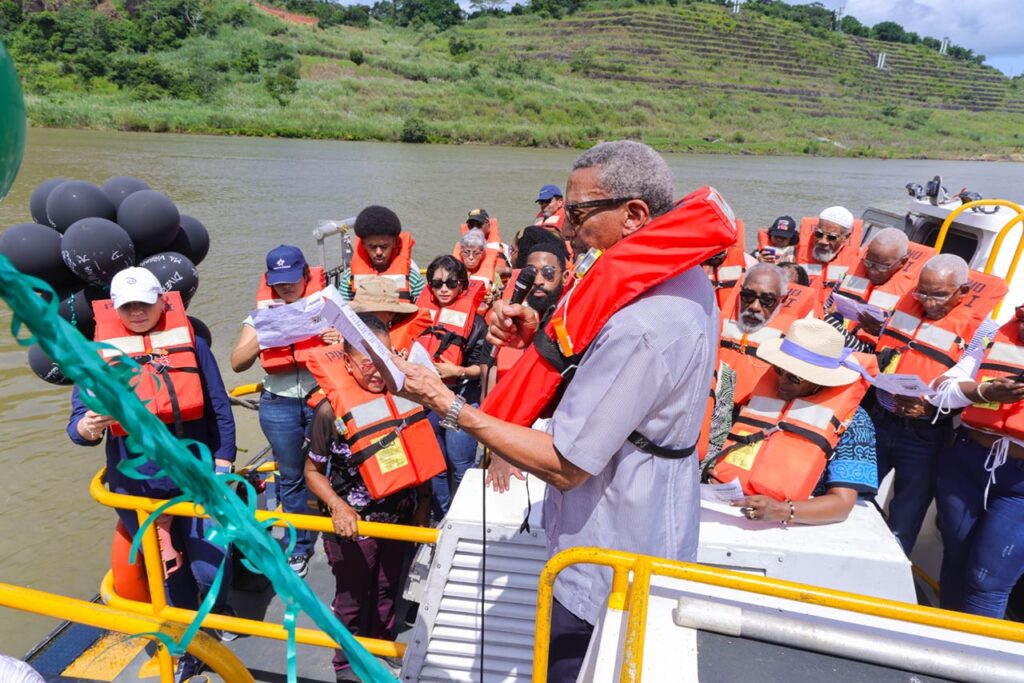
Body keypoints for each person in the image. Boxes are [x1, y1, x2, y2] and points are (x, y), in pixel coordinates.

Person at [389, 140, 733, 682]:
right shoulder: (682, 281)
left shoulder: (646, 324)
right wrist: (536, 344)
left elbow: (566, 466)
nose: (566, 230)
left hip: (611, 564)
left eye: (577, 214)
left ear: (634, 215)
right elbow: (619, 387)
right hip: (635, 531)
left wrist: (447, 404)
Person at [69, 267, 236, 683]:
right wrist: (89, 426)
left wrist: (224, 461)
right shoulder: (96, 356)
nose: (138, 312)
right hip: (138, 488)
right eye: (128, 306)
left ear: (162, 300)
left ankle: (220, 608)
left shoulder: (191, 342)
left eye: (145, 302)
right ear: (115, 309)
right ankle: (188, 647)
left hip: (195, 477)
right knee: (169, 571)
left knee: (206, 569)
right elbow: (76, 426)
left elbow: (219, 406)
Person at [302, 315, 432, 681]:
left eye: (385, 360)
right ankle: (346, 665)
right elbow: (311, 473)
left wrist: (422, 509)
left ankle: (379, 649)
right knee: (353, 598)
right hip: (353, 523)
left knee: (389, 591)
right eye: (367, 364)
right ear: (347, 363)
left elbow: (420, 460)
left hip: (400, 519)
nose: (378, 372)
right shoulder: (330, 412)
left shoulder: (407, 397)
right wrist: (339, 507)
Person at [873, 254, 1003, 554]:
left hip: (926, 435)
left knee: (904, 519)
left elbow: (970, 383)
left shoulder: (983, 332)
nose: (928, 302)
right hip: (879, 419)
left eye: (939, 295)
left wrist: (934, 409)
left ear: (963, 292)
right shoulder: (902, 306)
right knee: (854, 495)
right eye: (922, 292)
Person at [230, 245, 336, 577]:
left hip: (324, 401)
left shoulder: (329, 306)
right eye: (279, 281)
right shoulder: (259, 315)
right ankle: (299, 547)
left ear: (306, 275)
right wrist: (265, 333)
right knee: (290, 477)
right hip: (280, 404)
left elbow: (363, 349)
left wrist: (339, 338)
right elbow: (236, 363)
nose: (286, 287)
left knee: (336, 468)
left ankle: (340, 535)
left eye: (292, 279)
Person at [708, 318, 877, 522]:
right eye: (779, 370)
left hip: (794, 527)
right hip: (731, 511)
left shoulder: (855, 422)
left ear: (821, 379)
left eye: (795, 377)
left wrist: (782, 510)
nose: (782, 381)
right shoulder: (763, 394)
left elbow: (842, 504)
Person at [929, 303, 1024, 618]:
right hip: (966, 463)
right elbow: (940, 390)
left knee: (987, 581)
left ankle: (970, 663)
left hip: (1019, 488)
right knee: (955, 559)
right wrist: (983, 391)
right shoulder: (994, 333)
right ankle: (941, 651)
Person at [415, 255, 492, 517]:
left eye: (451, 282)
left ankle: (461, 514)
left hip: (462, 397)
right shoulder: (418, 317)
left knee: (460, 464)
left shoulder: (478, 324)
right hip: (427, 400)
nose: (444, 289)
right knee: (435, 465)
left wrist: (456, 370)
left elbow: (483, 368)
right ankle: (442, 512)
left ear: (462, 285)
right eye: (437, 283)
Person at [718, 263, 815, 408]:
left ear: (784, 298)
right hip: (711, 399)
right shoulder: (716, 310)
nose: (755, 306)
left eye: (767, 300)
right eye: (748, 296)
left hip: (754, 410)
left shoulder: (803, 326)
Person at [826, 228, 934, 352]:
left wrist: (881, 330)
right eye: (868, 263)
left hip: (870, 351)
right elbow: (828, 304)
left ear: (902, 262)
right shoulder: (852, 272)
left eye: (881, 267)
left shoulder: (915, 295)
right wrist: (830, 311)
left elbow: (908, 338)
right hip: (837, 339)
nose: (872, 270)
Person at [338, 205, 425, 302]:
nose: (378, 252)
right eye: (372, 247)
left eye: (384, 246)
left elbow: (423, 312)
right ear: (363, 244)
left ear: (395, 243)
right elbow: (341, 308)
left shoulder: (413, 279)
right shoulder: (349, 278)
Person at [349, 276, 430, 355]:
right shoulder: (342, 337)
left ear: (391, 314)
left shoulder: (413, 351)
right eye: (359, 312)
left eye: (371, 313)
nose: (364, 318)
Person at [794, 206, 860, 290]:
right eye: (819, 234)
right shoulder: (793, 254)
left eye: (832, 237)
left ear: (846, 237)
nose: (822, 241)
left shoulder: (858, 264)